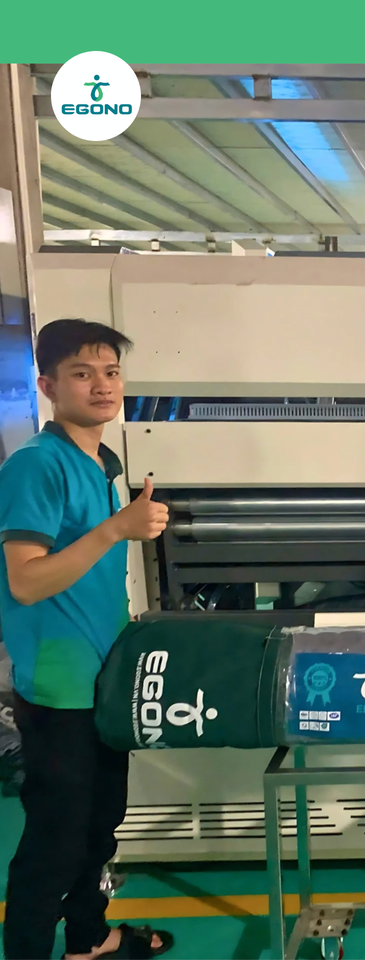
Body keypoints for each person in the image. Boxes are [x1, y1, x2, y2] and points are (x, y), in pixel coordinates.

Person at [0, 320, 172, 960]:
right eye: (81, 373)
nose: (102, 385)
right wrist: (117, 529)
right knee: (56, 839)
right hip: (59, 684)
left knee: (100, 824)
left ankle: (88, 940)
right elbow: (25, 581)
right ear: (47, 386)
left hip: (104, 676)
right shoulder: (36, 466)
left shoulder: (103, 462)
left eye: (110, 372)